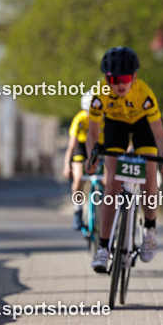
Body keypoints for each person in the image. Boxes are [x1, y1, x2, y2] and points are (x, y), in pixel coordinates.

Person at [85, 47, 163, 273]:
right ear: (107, 79)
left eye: (125, 79)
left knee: (148, 176)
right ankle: (103, 247)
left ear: (134, 77)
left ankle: (150, 230)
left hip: (143, 124)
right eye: (114, 80)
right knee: (112, 183)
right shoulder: (99, 96)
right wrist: (91, 158)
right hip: (116, 125)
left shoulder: (145, 95)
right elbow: (93, 135)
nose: (120, 85)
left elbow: (159, 135)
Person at [63, 92, 101, 231]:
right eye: (87, 112)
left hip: (101, 146)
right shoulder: (80, 120)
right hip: (82, 147)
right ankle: (78, 210)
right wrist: (67, 165)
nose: (90, 115)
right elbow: (71, 147)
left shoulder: (106, 119)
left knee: (107, 180)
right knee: (79, 178)